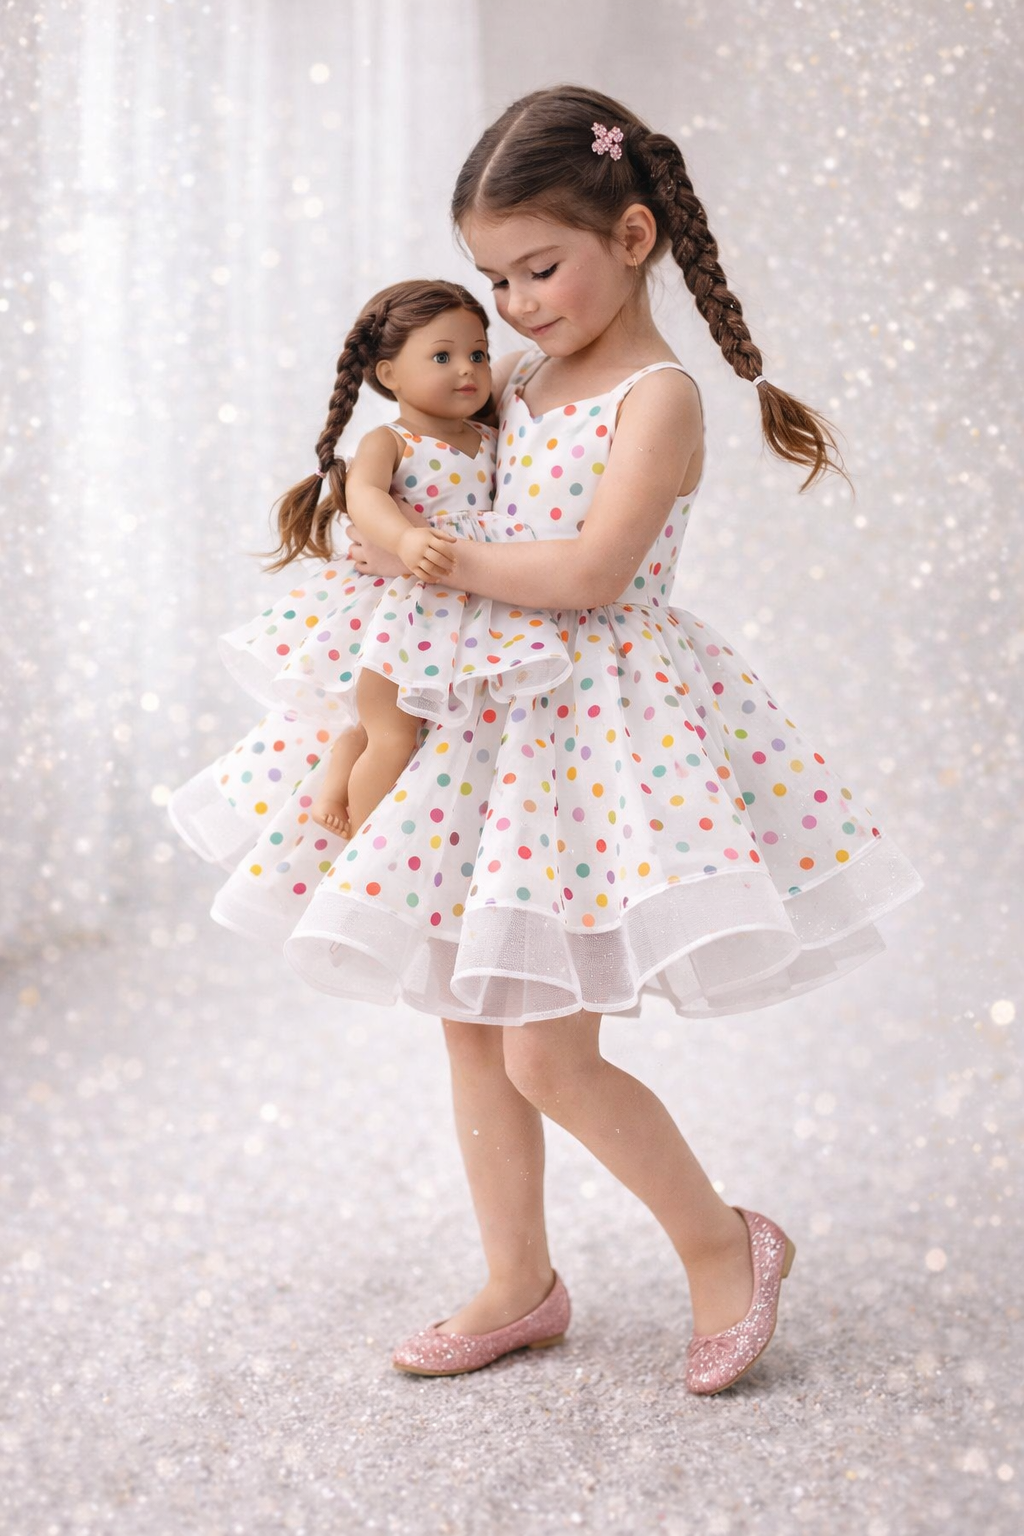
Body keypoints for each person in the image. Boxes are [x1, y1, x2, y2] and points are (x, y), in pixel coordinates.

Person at [317, 87, 925, 1393]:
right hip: (490, 724)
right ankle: (518, 1280)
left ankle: (723, 1243)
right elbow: (408, 484)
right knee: (468, 1020)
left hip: (600, 735)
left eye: (540, 268)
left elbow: (593, 573)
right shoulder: (514, 383)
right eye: (496, 280)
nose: (517, 306)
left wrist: (447, 561)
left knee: (548, 1048)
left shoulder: (660, 398)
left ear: (635, 234)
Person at [170, 277, 572, 855]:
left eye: (478, 354)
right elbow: (366, 498)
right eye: (443, 356)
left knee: (427, 725)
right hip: (398, 611)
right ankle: (364, 851)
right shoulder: (392, 440)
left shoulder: (487, 436)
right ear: (389, 375)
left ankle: (344, 760)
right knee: (394, 732)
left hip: (459, 607)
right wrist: (405, 543)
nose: (468, 369)